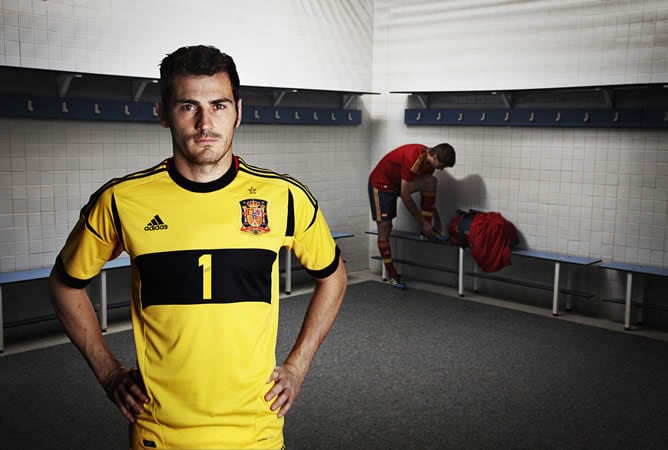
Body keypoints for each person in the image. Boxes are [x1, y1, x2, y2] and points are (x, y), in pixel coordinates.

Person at [48, 44, 347, 450]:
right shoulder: (121, 201)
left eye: (219, 105)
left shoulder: (285, 197)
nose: (206, 123)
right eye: (188, 106)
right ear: (163, 113)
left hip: (256, 432)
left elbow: (334, 277)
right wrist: (110, 373)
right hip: (159, 435)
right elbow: (65, 284)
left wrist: (297, 365)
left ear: (238, 112)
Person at [368, 143, 456, 290]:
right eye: (441, 165)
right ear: (434, 156)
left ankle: (426, 232)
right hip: (381, 185)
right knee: (385, 228)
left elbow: (426, 193)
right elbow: (405, 195)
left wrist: (436, 220)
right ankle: (392, 275)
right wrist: (422, 222)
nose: (441, 169)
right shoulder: (413, 159)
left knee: (430, 181)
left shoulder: (429, 164)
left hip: (398, 183)